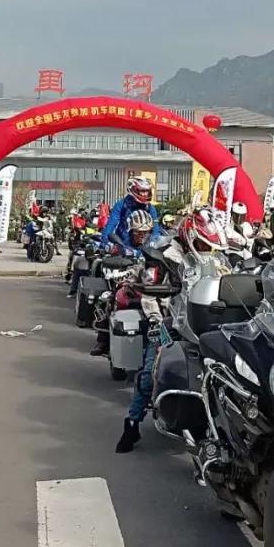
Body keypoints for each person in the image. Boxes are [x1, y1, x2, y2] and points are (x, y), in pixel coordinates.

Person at [116, 208, 231, 453]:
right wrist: (155, 319)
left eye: (210, 245)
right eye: (202, 243)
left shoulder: (215, 259)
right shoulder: (163, 256)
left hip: (208, 322)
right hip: (172, 320)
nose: (206, 249)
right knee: (150, 372)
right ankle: (132, 423)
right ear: (190, 236)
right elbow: (150, 292)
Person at [90, 210, 158, 358]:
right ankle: (103, 340)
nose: (142, 235)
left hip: (149, 282)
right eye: (138, 232)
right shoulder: (122, 244)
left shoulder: (155, 244)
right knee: (109, 298)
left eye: (146, 232)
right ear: (131, 231)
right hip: (127, 279)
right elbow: (111, 258)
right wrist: (118, 264)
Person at [99, 176, 162, 256]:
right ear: (133, 189)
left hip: (144, 250)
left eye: (147, 191)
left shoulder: (151, 208)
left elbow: (156, 229)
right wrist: (105, 243)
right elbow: (111, 225)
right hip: (123, 249)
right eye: (142, 191)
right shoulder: (121, 205)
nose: (145, 194)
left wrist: (155, 243)